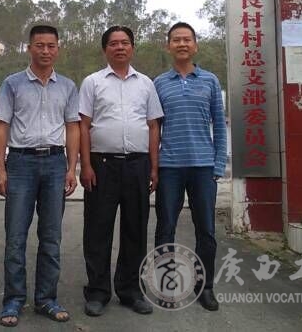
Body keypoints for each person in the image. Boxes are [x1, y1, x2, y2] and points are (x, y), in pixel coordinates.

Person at [0, 24, 80, 327]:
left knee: (51, 237)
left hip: (55, 164)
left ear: (58, 49)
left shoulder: (67, 87)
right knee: (15, 237)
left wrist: (71, 168)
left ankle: (46, 299)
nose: (45, 50)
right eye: (39, 45)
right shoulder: (12, 84)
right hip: (20, 164)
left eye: (51, 45)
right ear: (29, 48)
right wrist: (0, 170)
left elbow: (73, 128)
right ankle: (13, 300)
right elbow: (2, 127)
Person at [78, 25, 163, 317]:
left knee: (135, 229)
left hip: (138, 165)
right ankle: (97, 291)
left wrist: (154, 167)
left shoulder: (146, 84)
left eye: (125, 42)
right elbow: (83, 126)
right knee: (97, 229)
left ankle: (130, 291)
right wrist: (85, 165)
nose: (120, 47)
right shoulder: (92, 82)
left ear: (132, 48)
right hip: (102, 165)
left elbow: (153, 126)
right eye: (113, 43)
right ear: (105, 49)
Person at [152, 22, 228, 311]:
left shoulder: (210, 81)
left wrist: (218, 165)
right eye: (176, 40)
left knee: (206, 230)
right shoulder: (159, 83)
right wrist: (154, 167)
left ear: (195, 45)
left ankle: (205, 286)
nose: (182, 44)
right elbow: (154, 129)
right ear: (168, 46)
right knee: (165, 228)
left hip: (203, 168)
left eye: (187, 39)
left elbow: (219, 125)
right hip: (170, 168)